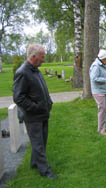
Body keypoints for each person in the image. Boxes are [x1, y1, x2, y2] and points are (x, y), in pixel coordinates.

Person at [13, 43, 57, 179]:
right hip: (33, 116)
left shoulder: (35, 69)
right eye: (42, 57)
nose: (44, 59)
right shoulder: (22, 72)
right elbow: (18, 97)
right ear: (33, 57)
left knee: (41, 141)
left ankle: (34, 163)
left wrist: (48, 101)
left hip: (43, 113)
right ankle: (45, 171)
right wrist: (36, 107)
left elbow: (41, 88)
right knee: (38, 144)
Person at [89, 49, 106, 136]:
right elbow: (94, 78)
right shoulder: (96, 66)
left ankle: (102, 126)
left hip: (103, 90)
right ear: (103, 58)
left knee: (104, 110)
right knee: (102, 110)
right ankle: (101, 130)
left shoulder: (101, 64)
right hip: (98, 92)